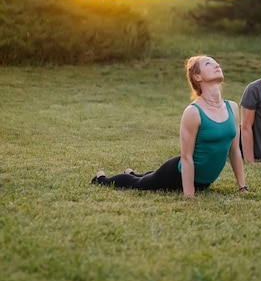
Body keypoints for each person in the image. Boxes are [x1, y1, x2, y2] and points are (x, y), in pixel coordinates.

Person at [91, 55, 248, 197]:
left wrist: (242, 188)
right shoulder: (193, 112)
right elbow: (186, 157)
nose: (217, 65)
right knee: (138, 184)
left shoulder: (232, 107)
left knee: (146, 177)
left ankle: (134, 173)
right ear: (197, 76)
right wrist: (189, 195)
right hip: (176, 175)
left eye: (216, 62)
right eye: (209, 63)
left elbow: (234, 151)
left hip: (204, 182)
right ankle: (101, 180)